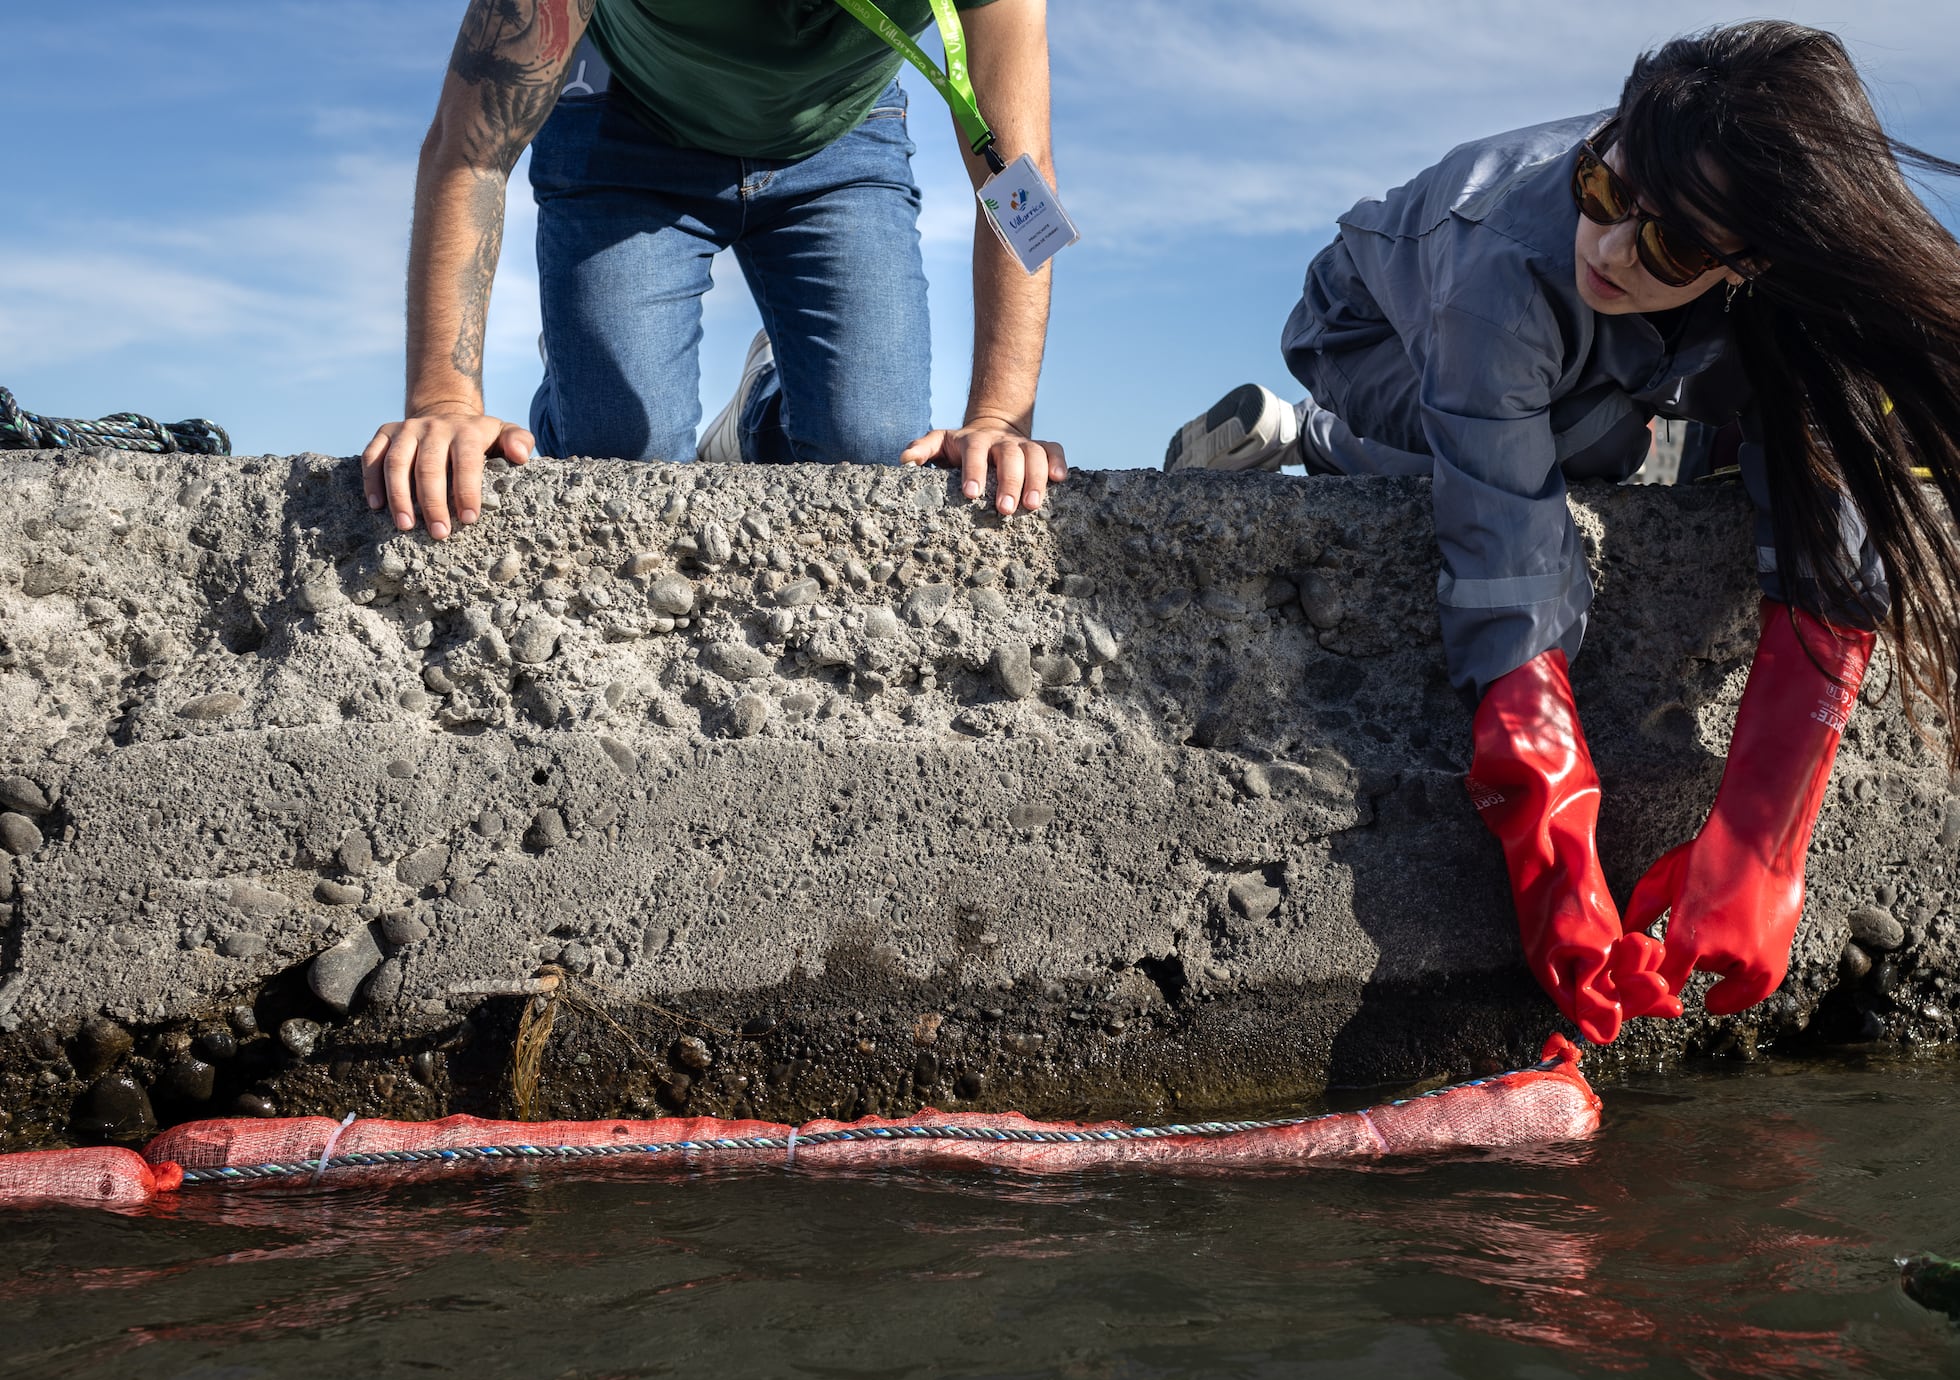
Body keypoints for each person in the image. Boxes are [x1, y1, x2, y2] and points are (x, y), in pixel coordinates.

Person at [1164, 21, 1960, 1046]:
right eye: (1603, 190)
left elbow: (1837, 535)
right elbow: (1509, 562)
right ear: (1608, 139)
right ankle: (1307, 433)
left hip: (1635, 355)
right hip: (1371, 336)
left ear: (1752, 258)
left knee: (1787, 404)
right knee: (1590, 444)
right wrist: (1551, 842)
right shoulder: (1509, 269)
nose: (1611, 246)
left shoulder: (1779, 268)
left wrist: (1762, 844)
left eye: (1670, 241)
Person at [362, 0, 1068, 540]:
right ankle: (582, 363)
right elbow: (471, 150)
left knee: (874, 452)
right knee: (622, 454)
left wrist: (1001, 420)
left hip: (838, 134)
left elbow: (1018, 182)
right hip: (623, 116)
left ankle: (759, 415)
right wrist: (443, 404)